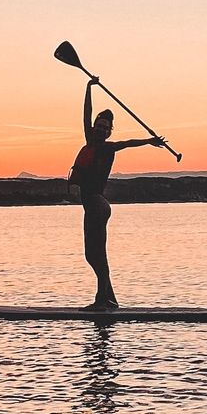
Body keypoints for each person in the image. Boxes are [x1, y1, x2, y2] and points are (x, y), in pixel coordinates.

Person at [67, 76, 166, 310]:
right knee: (93, 255)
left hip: (97, 205)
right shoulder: (90, 141)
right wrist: (88, 88)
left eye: (104, 128)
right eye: (98, 126)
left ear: (109, 132)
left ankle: (103, 300)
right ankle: (109, 299)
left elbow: (130, 142)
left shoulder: (109, 147)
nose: (100, 129)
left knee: (95, 255)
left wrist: (149, 141)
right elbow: (86, 113)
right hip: (93, 205)